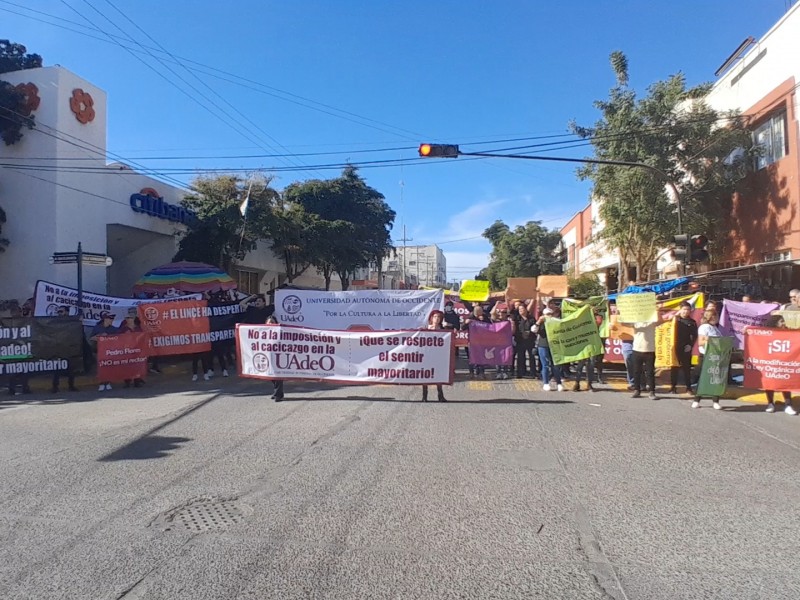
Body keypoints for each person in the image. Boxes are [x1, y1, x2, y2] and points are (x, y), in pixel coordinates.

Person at [759, 315, 798, 415]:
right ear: (775, 323)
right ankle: (770, 403)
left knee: (785, 382)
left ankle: (788, 405)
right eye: (781, 321)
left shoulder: (789, 332)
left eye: (784, 321)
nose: (784, 323)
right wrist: (747, 330)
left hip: (784, 364)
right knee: (770, 382)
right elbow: (756, 334)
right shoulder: (766, 333)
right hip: (771, 363)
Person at [692, 308, 723, 410]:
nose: (718, 318)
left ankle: (715, 401)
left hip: (716, 356)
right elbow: (701, 342)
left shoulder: (715, 328)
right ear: (712, 317)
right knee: (703, 378)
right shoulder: (705, 327)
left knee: (716, 379)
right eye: (716, 316)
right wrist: (711, 340)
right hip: (706, 356)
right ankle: (696, 400)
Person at [670, 302, 698, 395]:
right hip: (675, 346)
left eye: (688, 310)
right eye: (684, 309)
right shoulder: (675, 320)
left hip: (686, 347)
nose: (686, 311)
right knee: (674, 367)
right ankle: (673, 387)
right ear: (680, 309)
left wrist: (690, 345)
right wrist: (675, 316)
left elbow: (694, 335)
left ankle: (688, 388)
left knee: (687, 368)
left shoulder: (692, 322)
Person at [533, 308, 563, 392]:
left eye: (550, 314)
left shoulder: (556, 322)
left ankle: (559, 383)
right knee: (545, 365)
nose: (549, 316)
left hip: (554, 345)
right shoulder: (541, 323)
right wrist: (539, 321)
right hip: (543, 345)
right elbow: (533, 330)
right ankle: (546, 383)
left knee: (556, 366)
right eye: (547, 314)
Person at [421, 310, 448, 402]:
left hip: (438, 356)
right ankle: (424, 396)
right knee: (425, 375)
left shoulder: (443, 330)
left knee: (438, 375)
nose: (437, 319)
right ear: (431, 318)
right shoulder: (425, 328)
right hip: (427, 355)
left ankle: (440, 395)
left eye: (439, 317)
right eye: (435, 316)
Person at [51, 306, 79, 393]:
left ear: (67, 312)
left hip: (69, 349)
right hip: (58, 349)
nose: (59, 313)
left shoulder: (72, 322)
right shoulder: (54, 322)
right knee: (56, 370)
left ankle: (71, 386)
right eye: (58, 312)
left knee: (71, 369)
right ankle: (55, 387)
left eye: (61, 311)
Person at [90, 312, 118, 391]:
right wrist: (100, 336)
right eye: (110, 319)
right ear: (105, 319)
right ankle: (101, 383)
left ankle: (108, 382)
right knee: (100, 368)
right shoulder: (97, 328)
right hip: (98, 350)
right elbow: (91, 338)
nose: (112, 320)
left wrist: (109, 337)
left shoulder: (113, 329)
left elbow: (118, 339)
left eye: (112, 319)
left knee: (108, 367)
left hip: (109, 351)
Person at [118, 309, 145, 388]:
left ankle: (137, 381)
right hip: (127, 349)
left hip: (137, 349)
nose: (128, 319)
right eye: (127, 318)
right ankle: (127, 382)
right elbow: (117, 337)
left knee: (137, 365)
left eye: (130, 318)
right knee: (127, 365)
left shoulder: (138, 328)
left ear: (133, 319)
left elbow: (142, 337)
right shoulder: (123, 328)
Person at [631, 320, 658, 400]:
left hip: (650, 350)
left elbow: (661, 320)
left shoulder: (653, 321)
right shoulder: (635, 322)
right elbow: (623, 322)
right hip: (637, 349)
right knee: (636, 371)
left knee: (650, 372)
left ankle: (652, 391)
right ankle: (637, 390)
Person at [463, 306, 490, 379]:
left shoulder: (484, 317)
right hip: (472, 341)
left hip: (482, 341)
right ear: (476, 312)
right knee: (471, 358)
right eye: (479, 312)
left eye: (481, 311)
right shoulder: (470, 317)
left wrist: (484, 321)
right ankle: (471, 373)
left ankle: (481, 373)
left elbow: (490, 326)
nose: (481, 313)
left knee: (481, 357)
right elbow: (462, 328)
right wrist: (466, 323)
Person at [513, 304, 537, 378]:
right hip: (520, 340)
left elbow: (535, 328)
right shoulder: (517, 319)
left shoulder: (531, 318)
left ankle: (533, 372)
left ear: (526, 310)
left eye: (522, 309)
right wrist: (521, 334)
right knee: (520, 357)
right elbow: (515, 329)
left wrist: (529, 332)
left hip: (530, 340)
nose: (521, 311)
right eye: (519, 310)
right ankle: (520, 372)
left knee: (531, 356)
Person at [266, 315, 284, 401]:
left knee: (278, 375)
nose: (270, 324)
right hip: (267, 357)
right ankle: (277, 392)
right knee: (272, 376)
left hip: (278, 356)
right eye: (269, 322)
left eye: (272, 322)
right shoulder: (261, 332)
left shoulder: (280, 332)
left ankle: (278, 394)